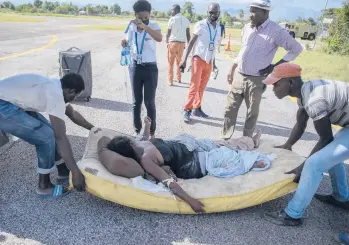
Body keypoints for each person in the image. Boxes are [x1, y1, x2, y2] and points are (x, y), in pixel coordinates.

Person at [98, 117, 271, 213]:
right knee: (229, 155)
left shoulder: (139, 144)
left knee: (222, 143)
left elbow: (144, 138)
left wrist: (147, 126)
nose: (134, 141)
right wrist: (190, 201)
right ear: (130, 148)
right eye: (131, 142)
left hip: (191, 147)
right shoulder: (145, 161)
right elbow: (167, 182)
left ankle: (251, 142)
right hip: (194, 163)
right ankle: (253, 156)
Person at [262, 63, 349, 226]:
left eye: (276, 84)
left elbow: (326, 139)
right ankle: (342, 197)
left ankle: (292, 215)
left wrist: (301, 168)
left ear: (291, 82)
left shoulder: (315, 100)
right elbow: (301, 123)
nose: (273, 89)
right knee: (329, 156)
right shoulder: (304, 92)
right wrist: (288, 144)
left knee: (314, 163)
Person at [0, 73, 95, 198]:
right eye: (75, 95)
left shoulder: (57, 87)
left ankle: (63, 171)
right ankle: (44, 186)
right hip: (3, 105)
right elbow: (60, 136)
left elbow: (72, 113)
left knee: (50, 130)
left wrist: (94, 129)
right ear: (71, 91)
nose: (74, 98)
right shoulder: (55, 94)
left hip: (12, 102)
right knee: (46, 137)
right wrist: (76, 171)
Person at [221, 0, 303, 139]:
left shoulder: (276, 31)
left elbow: (296, 48)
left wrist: (275, 66)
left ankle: (246, 141)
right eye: (250, 10)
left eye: (254, 11)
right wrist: (233, 67)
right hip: (239, 76)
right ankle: (226, 137)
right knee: (230, 108)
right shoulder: (247, 27)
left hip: (256, 79)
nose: (250, 15)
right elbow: (243, 50)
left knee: (251, 112)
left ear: (265, 12)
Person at [121, 0, 162, 138]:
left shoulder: (154, 26)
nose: (144, 19)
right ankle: (137, 130)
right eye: (141, 17)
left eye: (147, 17)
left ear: (150, 14)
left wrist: (145, 26)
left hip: (150, 68)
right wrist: (124, 42)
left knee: (149, 102)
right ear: (135, 15)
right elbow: (126, 38)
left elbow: (159, 38)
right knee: (136, 102)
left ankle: (151, 132)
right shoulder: (131, 25)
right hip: (135, 67)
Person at [179, 3, 221, 123]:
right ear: (207, 12)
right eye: (211, 12)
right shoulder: (200, 25)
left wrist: (214, 62)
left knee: (202, 87)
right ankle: (187, 109)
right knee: (194, 86)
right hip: (198, 59)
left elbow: (213, 46)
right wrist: (184, 60)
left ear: (219, 13)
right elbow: (191, 43)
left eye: (215, 12)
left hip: (209, 61)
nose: (213, 15)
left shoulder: (219, 26)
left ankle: (197, 108)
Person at [166, 4, 191, 85]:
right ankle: (179, 78)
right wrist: (188, 45)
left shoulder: (172, 19)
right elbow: (188, 34)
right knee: (179, 62)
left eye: (172, 10)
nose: (171, 12)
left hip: (173, 43)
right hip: (182, 44)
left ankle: (170, 81)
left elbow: (168, 32)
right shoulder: (186, 20)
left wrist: (167, 42)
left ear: (176, 10)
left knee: (170, 63)